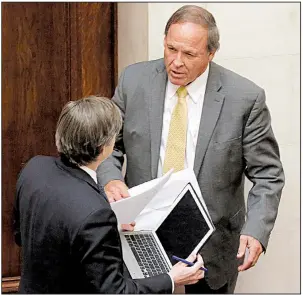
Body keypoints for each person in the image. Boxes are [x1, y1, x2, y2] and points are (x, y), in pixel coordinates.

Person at [96, 5, 285, 294]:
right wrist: (110, 178)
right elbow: (109, 144)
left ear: (211, 53)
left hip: (212, 243)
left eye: (189, 54)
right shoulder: (133, 81)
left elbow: (268, 174)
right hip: (141, 233)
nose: (176, 62)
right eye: (171, 49)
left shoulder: (245, 98)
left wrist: (256, 231)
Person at [13, 96, 205, 294]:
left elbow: (22, 236)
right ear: (104, 147)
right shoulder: (96, 213)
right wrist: (171, 279)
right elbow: (115, 291)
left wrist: (101, 232)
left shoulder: (34, 169)